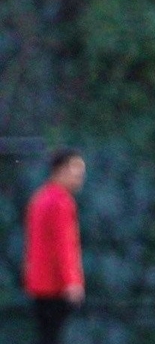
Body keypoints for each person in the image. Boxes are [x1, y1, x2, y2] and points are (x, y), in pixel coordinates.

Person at [23, 147, 86, 344]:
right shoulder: (61, 202)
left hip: (38, 283)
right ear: (61, 170)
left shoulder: (40, 197)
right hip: (56, 286)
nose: (80, 177)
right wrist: (72, 282)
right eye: (76, 171)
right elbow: (64, 245)